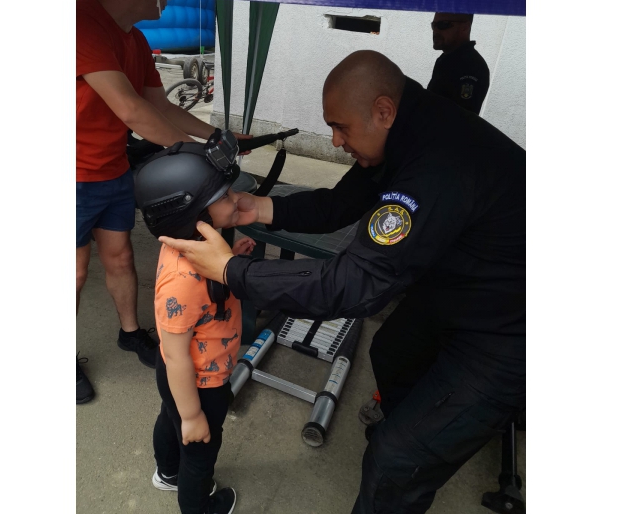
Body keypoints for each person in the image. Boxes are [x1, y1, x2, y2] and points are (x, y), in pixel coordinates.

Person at [160, 51, 525, 513]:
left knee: (394, 461)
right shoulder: (404, 130)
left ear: (383, 111)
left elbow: (354, 285)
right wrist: (263, 208)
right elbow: (340, 204)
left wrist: (234, 271)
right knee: (391, 350)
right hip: (462, 287)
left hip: (509, 326)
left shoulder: (437, 163)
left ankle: (412, 456)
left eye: (341, 127)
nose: (335, 141)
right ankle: (422, 433)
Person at [76, 0, 248, 404]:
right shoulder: (80, 23)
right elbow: (131, 110)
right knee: (75, 272)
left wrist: (218, 136)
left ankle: (130, 333)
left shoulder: (134, 39)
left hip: (113, 169)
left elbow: (160, 107)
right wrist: (198, 159)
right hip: (73, 174)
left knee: (120, 258)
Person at [134, 131, 256, 514]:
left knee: (170, 418)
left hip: (183, 375)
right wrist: (192, 415)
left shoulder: (191, 247)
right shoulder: (182, 281)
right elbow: (176, 355)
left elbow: (206, 291)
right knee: (200, 449)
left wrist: (231, 259)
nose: (236, 200)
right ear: (193, 216)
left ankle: (167, 472)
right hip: (200, 380)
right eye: (225, 196)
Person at [427, 12, 490, 115]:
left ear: (465, 27)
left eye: (443, 24)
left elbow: (458, 117)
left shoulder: (472, 66)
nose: (435, 30)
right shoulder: (446, 59)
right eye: (433, 25)